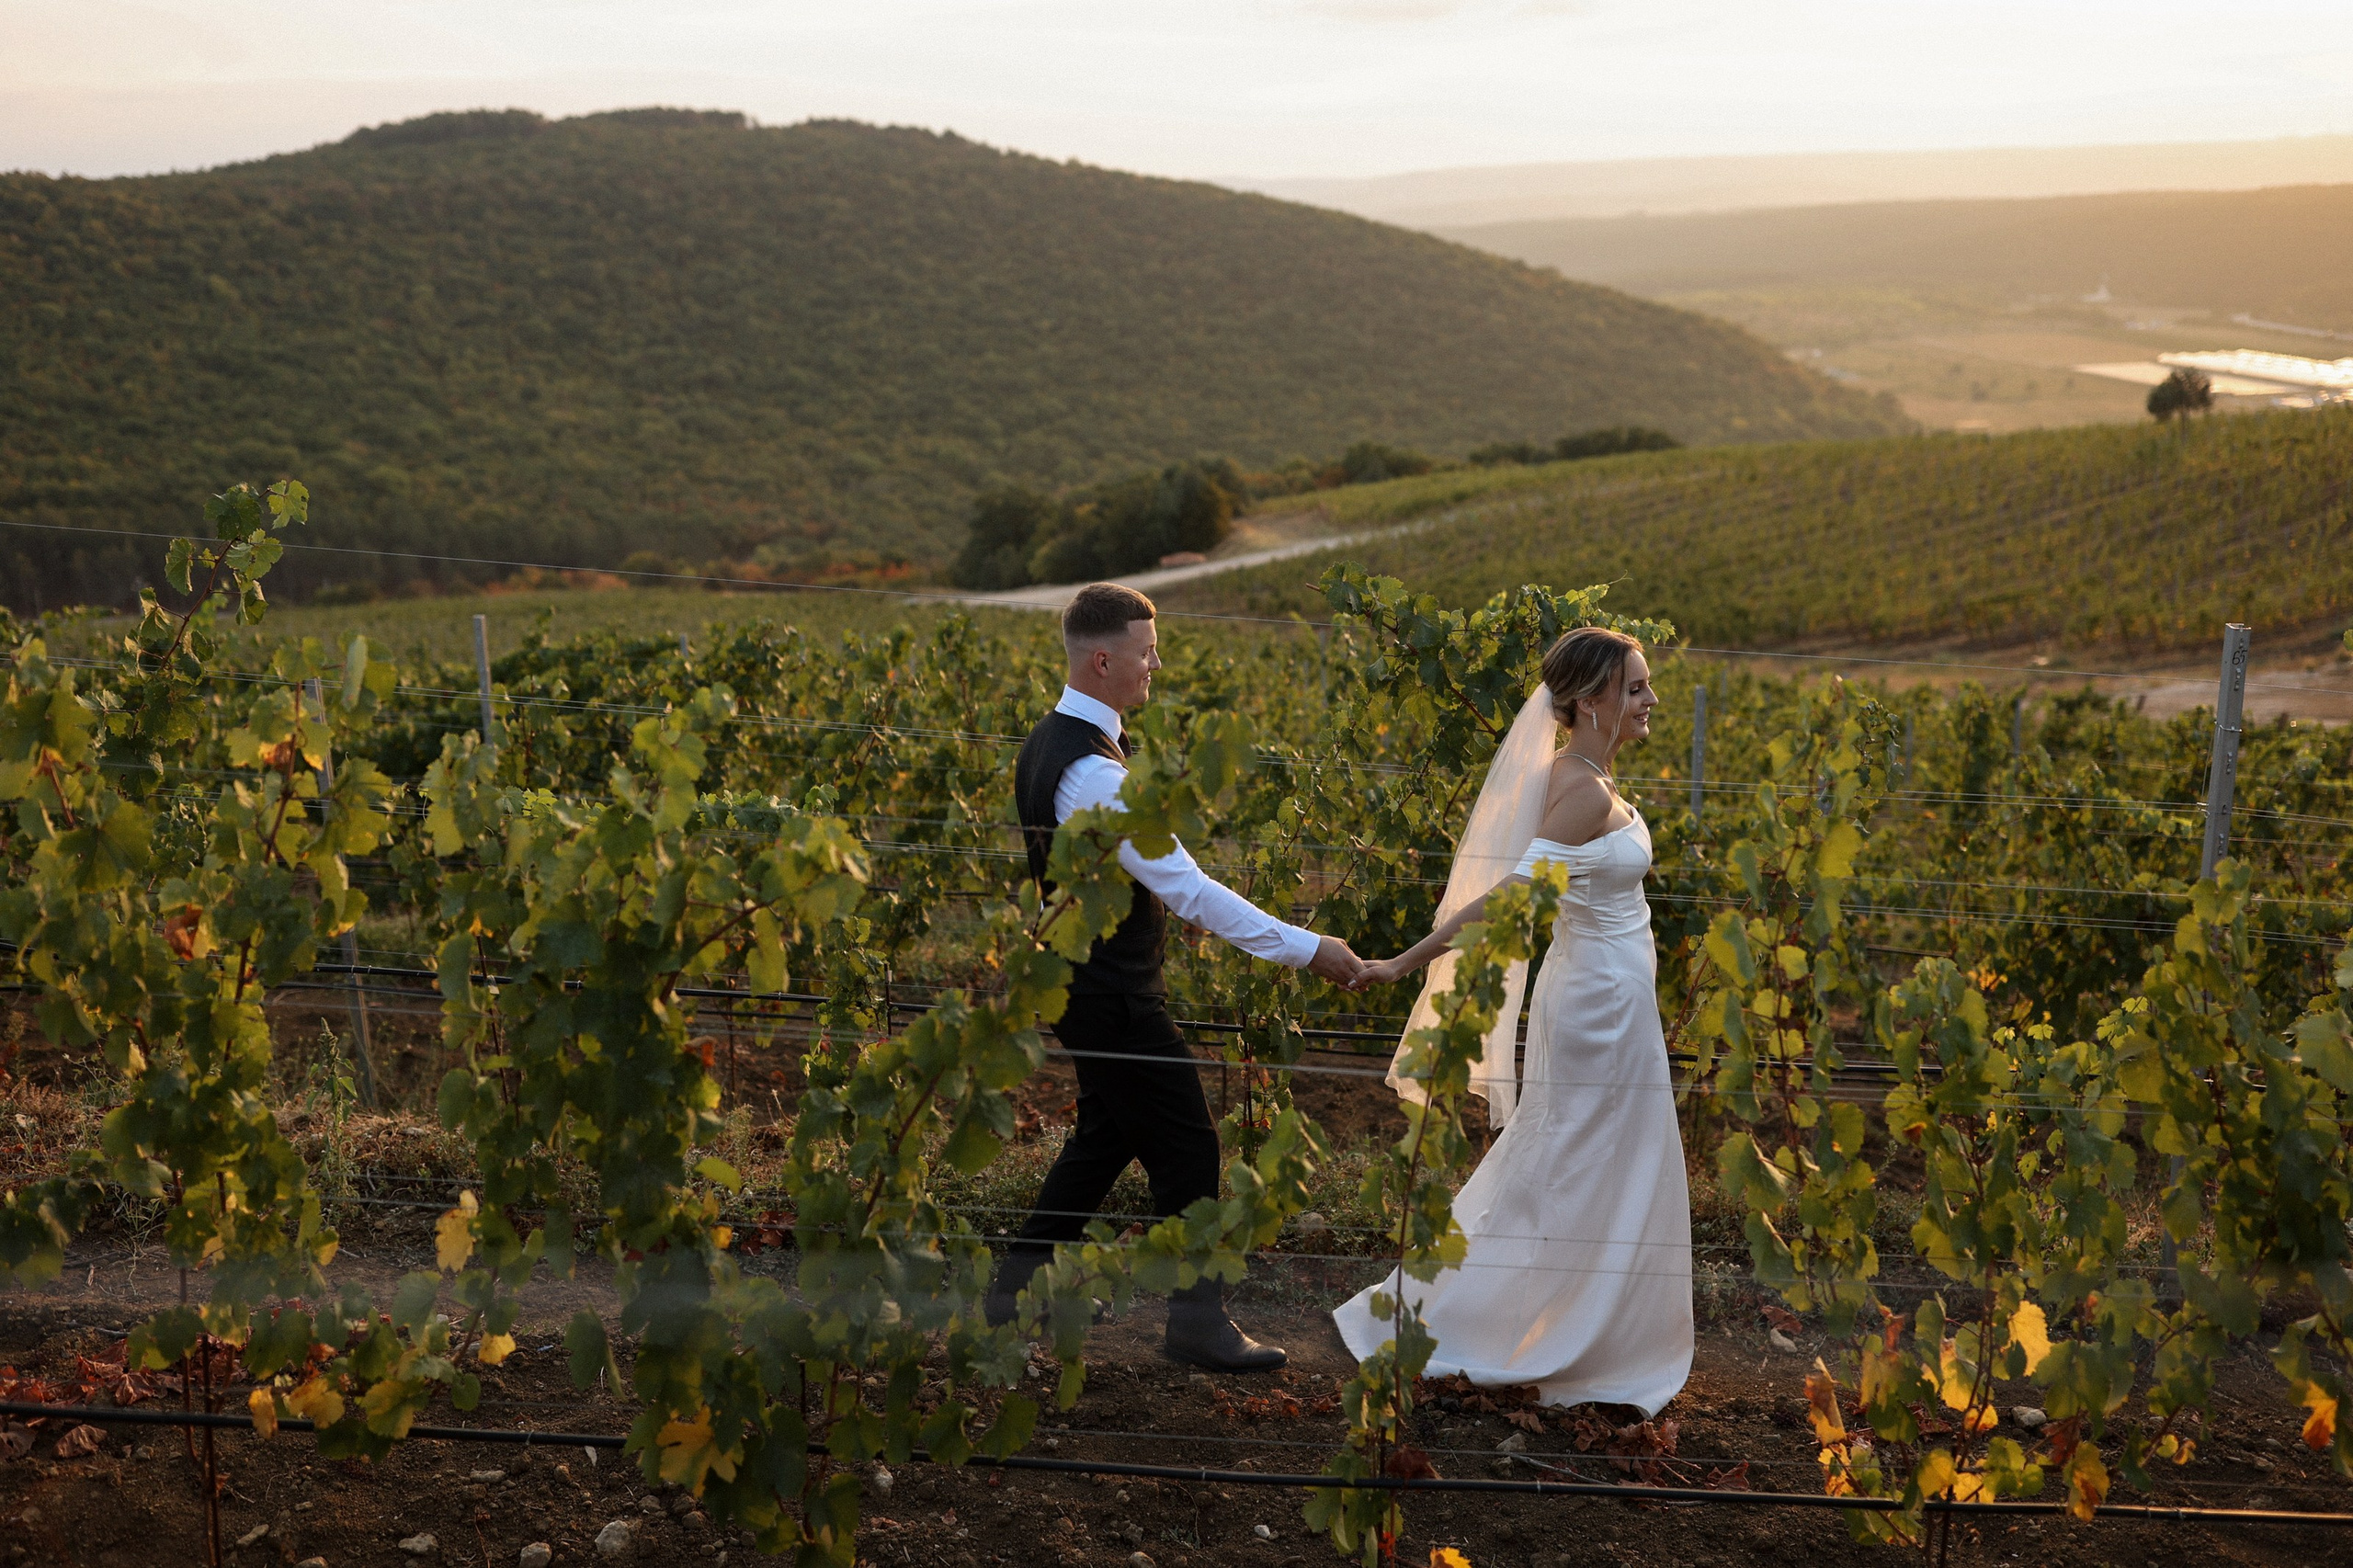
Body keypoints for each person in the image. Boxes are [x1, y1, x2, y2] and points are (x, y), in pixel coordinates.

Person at [990, 582, 1366, 1371]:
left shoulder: (1050, 740)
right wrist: (1309, 947)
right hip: (1112, 994)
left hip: (1085, 983)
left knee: (1104, 1137)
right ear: (1103, 659)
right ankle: (1196, 1322)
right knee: (1190, 1148)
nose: (1156, 664)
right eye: (1145, 651)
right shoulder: (1095, 775)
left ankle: (1012, 1292)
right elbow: (1189, 889)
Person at [1332, 626, 1693, 1416]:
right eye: (1634, 688)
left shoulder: (1593, 776)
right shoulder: (1582, 790)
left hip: (1616, 1005)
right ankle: (1502, 1323)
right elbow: (1505, 899)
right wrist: (1406, 960)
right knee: (1566, 1168)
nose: (1650, 700)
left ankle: (1581, 1323)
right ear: (1590, 700)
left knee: (1601, 1166)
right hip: (1595, 1012)